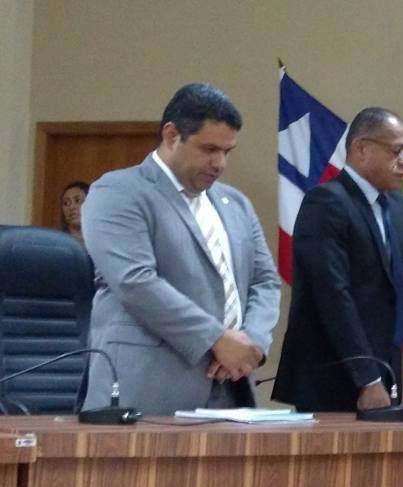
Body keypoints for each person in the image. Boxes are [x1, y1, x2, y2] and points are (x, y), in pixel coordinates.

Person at [81, 83, 281, 415]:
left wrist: (253, 343)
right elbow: (135, 281)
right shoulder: (118, 192)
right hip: (147, 390)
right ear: (172, 135)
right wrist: (216, 339)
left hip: (231, 387)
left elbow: (265, 281)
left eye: (227, 152)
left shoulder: (236, 205)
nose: (219, 163)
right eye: (209, 149)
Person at [272, 107, 403, 413]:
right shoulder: (326, 202)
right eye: (397, 151)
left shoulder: (402, 209)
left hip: (385, 375)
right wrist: (367, 378)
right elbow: (333, 297)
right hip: (331, 378)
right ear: (361, 148)